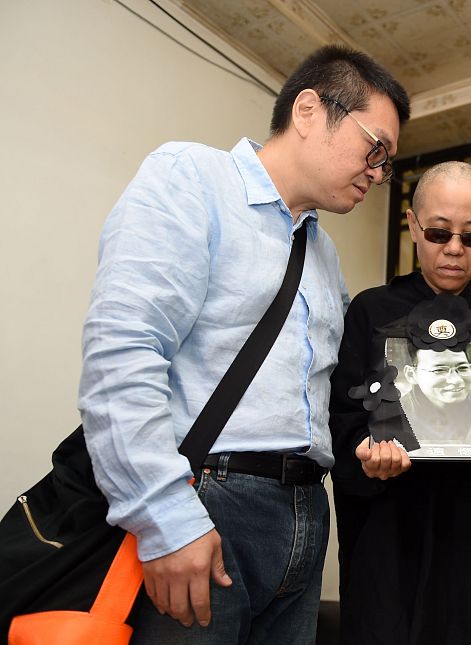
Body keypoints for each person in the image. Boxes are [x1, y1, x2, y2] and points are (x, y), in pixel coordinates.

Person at [77, 45, 409, 643]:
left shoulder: (325, 253)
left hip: (307, 510)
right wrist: (165, 519)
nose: (379, 172)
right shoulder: (193, 177)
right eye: (375, 148)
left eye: (387, 162)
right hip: (206, 502)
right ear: (309, 110)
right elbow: (123, 350)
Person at [329, 161, 471, 645]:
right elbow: (342, 419)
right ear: (413, 224)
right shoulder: (371, 311)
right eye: (438, 233)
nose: (454, 249)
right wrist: (367, 458)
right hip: (391, 535)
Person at [400, 346, 471, 446]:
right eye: (439, 370)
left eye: (463, 368)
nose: (456, 380)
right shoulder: (396, 414)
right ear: (411, 374)